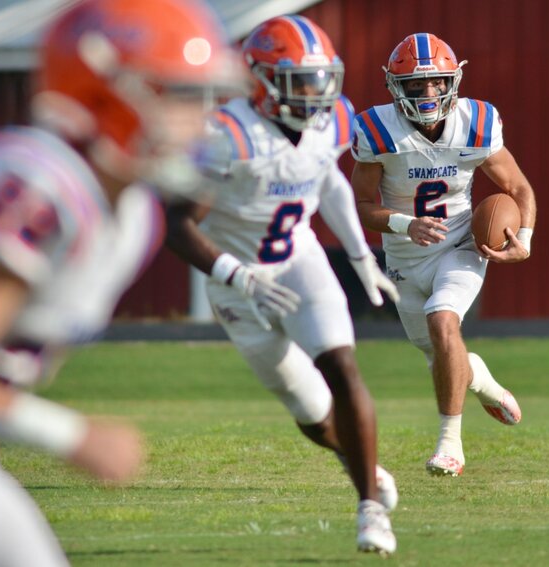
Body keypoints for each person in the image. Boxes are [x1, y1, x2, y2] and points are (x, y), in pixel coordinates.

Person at [0, 1, 243, 565]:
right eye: (178, 95)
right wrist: (70, 436)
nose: (199, 120)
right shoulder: (38, 185)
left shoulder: (133, 216)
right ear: (108, 90)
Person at [165, 15, 399, 556]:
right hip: (235, 282)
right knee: (313, 415)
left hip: (299, 261)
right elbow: (178, 226)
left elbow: (330, 181)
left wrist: (363, 256)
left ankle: (369, 511)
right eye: (301, 80)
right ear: (262, 82)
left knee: (342, 364)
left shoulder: (332, 120)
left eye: (323, 78)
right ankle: (360, 461)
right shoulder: (226, 137)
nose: (318, 93)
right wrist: (236, 275)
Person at [349, 33, 537, 477]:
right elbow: (359, 205)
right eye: (416, 84)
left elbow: (518, 188)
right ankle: (483, 381)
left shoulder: (476, 122)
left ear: (454, 80)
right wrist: (402, 222)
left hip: (461, 245)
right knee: (440, 354)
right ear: (396, 87)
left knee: (443, 319)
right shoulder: (377, 130)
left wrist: (524, 239)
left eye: (436, 82)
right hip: (404, 255)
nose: (428, 93)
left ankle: (450, 445)